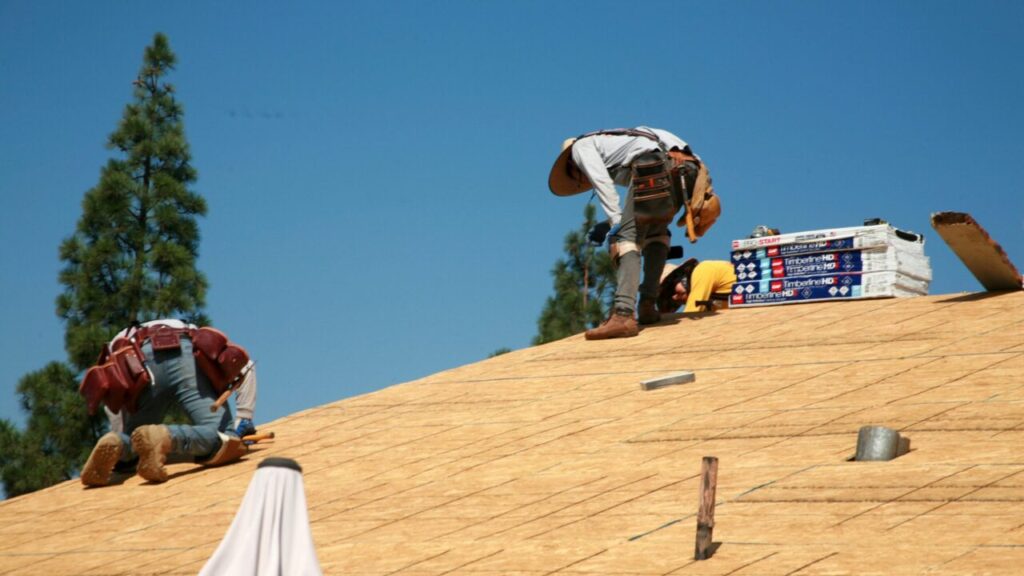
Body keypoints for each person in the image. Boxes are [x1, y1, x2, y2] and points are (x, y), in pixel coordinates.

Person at [549, 127, 720, 339]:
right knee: (656, 233)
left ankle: (623, 315)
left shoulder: (580, 149)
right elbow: (641, 211)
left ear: (572, 166)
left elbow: (603, 184)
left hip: (654, 166)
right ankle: (648, 307)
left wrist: (614, 224)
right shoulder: (625, 138)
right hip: (688, 170)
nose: (582, 180)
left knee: (625, 240)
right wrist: (612, 222)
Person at [80, 319, 253, 486]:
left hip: (134, 361)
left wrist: (118, 433)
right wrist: (243, 420)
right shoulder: (199, 336)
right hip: (183, 352)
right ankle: (166, 437)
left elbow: (113, 397)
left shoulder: (116, 345)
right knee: (226, 439)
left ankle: (120, 444)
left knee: (134, 442)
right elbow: (247, 366)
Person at [657, 258, 738, 314]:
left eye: (671, 291)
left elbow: (688, 318)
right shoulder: (707, 304)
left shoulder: (702, 270)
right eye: (670, 300)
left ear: (680, 277)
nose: (674, 298)